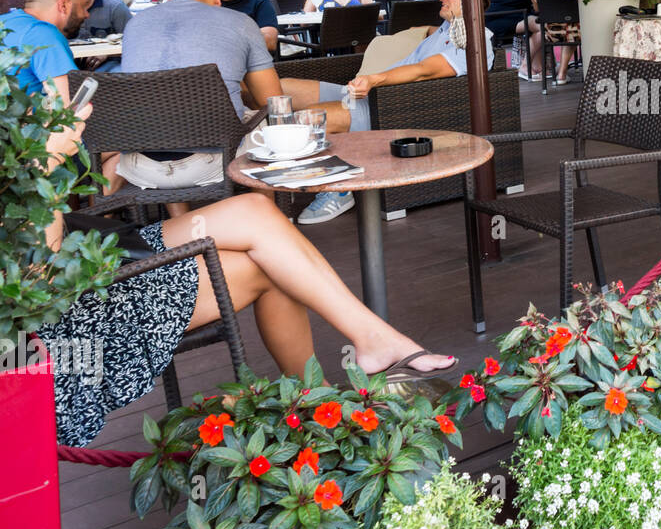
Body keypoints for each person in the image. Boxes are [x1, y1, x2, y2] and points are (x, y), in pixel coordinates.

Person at [31, 109, 457, 446]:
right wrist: (46, 162)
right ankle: (321, 393)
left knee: (256, 213)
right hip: (69, 316)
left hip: (93, 245)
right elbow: (41, 281)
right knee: (269, 267)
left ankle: (358, 356)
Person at [281, 0, 493, 225]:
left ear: (472, 1)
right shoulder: (449, 28)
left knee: (304, 121)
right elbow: (431, 36)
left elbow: (424, 70)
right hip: (369, 95)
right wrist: (422, 31)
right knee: (281, 88)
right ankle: (282, 158)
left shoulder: (476, 42)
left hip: (388, 108)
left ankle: (338, 187)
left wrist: (373, 79)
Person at [116, 0, 283, 193]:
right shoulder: (241, 23)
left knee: (162, 117)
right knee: (272, 126)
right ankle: (264, 212)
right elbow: (273, 101)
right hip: (216, 160)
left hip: (139, 165)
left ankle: (179, 221)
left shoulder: (135, 24)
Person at [0, 0, 90, 100]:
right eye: (83, 6)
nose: (86, 14)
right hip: (27, 121)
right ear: (63, 5)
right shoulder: (44, 35)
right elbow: (66, 110)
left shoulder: (4, 22)